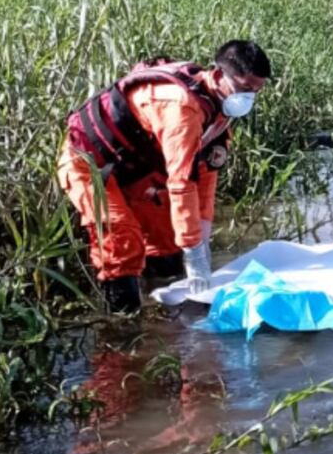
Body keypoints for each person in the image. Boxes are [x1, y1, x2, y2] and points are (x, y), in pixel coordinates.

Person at [57, 39, 270, 313]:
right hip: (88, 164)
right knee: (122, 238)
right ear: (218, 75)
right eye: (244, 87)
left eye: (256, 91)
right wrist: (194, 255)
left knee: (167, 242)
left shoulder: (219, 109)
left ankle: (162, 309)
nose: (249, 97)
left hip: (136, 169)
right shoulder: (181, 109)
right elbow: (181, 183)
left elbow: (205, 174)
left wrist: (201, 238)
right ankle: (125, 325)